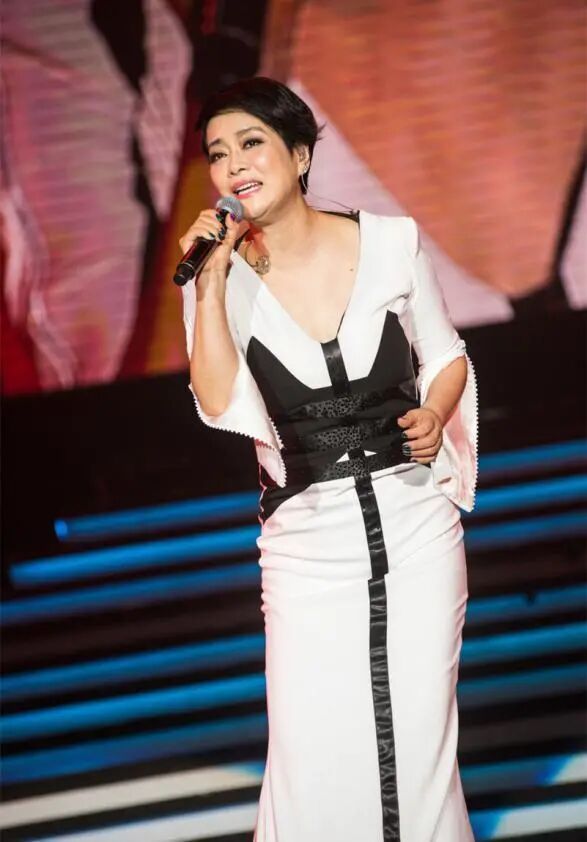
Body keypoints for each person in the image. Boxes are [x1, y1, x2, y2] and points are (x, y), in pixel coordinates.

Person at [179, 77, 478, 842]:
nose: (233, 165)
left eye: (251, 143)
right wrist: (209, 286)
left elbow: (446, 355)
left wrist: (433, 413)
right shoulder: (216, 275)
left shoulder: (390, 243)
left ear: (300, 154)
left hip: (416, 527)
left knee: (418, 743)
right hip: (305, 544)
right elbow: (215, 400)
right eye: (217, 153)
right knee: (310, 753)